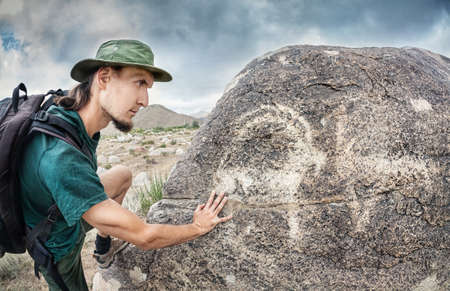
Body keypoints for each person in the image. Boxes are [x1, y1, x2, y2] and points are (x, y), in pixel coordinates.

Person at [19, 39, 232, 290]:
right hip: (56, 243)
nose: (145, 100)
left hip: (66, 210)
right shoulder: (60, 157)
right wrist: (197, 227)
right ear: (104, 78)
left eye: (148, 87)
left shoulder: (73, 115)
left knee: (122, 175)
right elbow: (144, 236)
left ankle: (103, 246)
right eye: (139, 82)